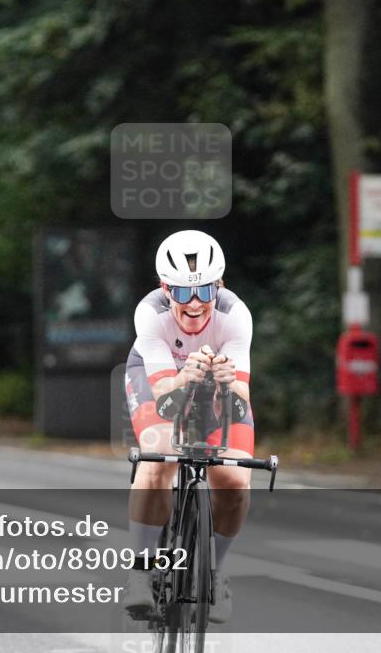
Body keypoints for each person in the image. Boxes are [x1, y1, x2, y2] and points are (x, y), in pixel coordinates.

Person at [122, 230, 254, 624]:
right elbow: (163, 397)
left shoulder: (236, 316)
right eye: (181, 293)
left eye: (204, 292)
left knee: (235, 479)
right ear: (165, 288)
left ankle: (215, 571)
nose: (194, 305)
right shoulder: (150, 313)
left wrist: (228, 384)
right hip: (159, 380)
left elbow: (241, 399)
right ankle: (141, 571)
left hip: (216, 382)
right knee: (158, 456)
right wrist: (184, 379)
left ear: (220, 286)